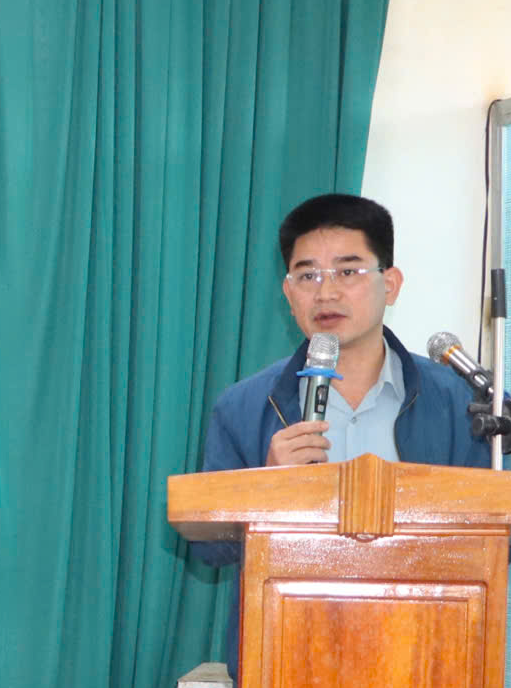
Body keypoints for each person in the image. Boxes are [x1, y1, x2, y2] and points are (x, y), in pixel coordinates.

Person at [200, 192, 488, 480]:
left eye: (348, 272)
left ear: (390, 285)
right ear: (289, 294)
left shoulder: (463, 407)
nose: (326, 293)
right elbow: (213, 511)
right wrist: (266, 486)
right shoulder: (240, 412)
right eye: (308, 276)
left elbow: (490, 505)